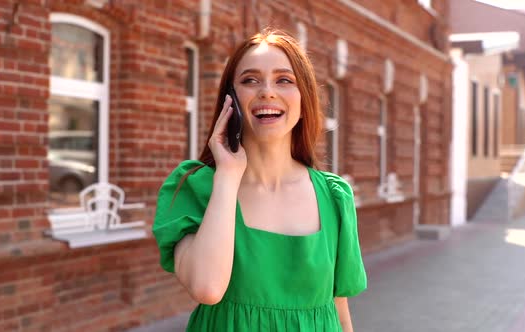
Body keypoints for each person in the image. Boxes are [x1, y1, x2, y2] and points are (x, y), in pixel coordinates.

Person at [153, 28, 367, 331]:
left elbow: (339, 311)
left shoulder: (334, 197)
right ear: (231, 100)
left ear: (304, 100)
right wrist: (227, 175)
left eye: (284, 80)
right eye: (250, 80)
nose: (267, 91)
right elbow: (207, 288)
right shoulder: (197, 187)